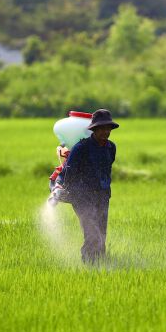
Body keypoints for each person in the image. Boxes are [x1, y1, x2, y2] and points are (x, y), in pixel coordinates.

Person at [63, 109, 119, 264]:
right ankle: (89, 265)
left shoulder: (111, 148)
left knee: (101, 234)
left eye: (108, 128)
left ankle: (101, 264)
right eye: (102, 128)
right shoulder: (81, 148)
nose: (105, 132)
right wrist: (69, 191)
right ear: (94, 129)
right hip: (82, 197)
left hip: (102, 196)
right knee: (92, 234)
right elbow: (69, 172)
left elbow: (106, 170)